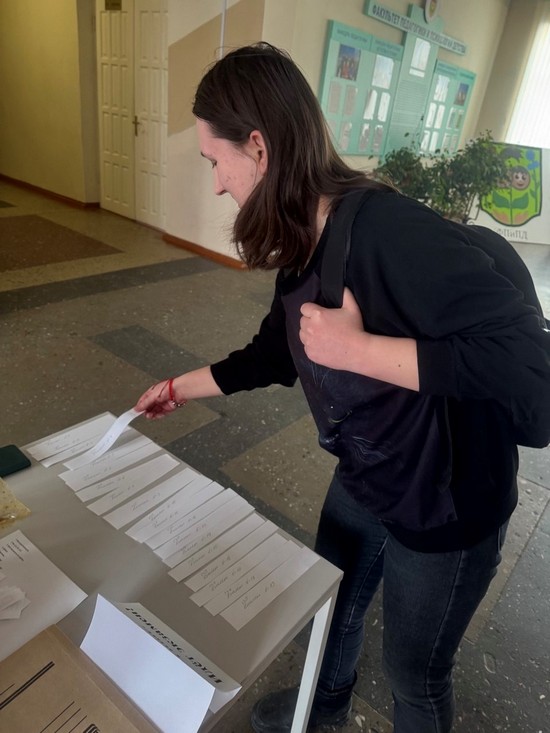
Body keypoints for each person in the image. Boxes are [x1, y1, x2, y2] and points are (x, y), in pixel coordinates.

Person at [135, 43, 548, 733]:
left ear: (258, 148)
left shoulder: (391, 234)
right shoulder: (304, 234)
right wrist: (179, 386)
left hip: (446, 503)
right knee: (332, 608)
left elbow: (530, 363)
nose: (217, 185)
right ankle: (323, 708)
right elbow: (276, 352)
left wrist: (360, 351)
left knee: (414, 675)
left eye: (214, 161)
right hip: (370, 468)